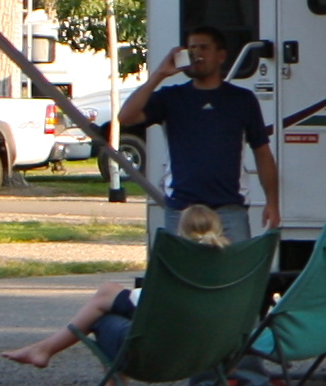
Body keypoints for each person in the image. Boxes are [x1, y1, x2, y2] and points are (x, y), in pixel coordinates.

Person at [4, 205, 229, 368]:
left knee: (105, 306)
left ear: (180, 232)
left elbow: (156, 302)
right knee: (108, 299)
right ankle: (43, 349)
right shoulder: (230, 266)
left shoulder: (178, 262)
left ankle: (45, 349)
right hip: (213, 347)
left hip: (166, 349)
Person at [118, 27, 278, 238]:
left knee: (236, 269)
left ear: (221, 56)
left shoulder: (242, 100)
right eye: (191, 48)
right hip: (181, 207)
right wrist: (159, 75)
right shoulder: (170, 97)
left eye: (204, 48)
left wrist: (272, 203)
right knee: (183, 270)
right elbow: (126, 117)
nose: (196, 54)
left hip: (230, 207)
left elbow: (262, 152)